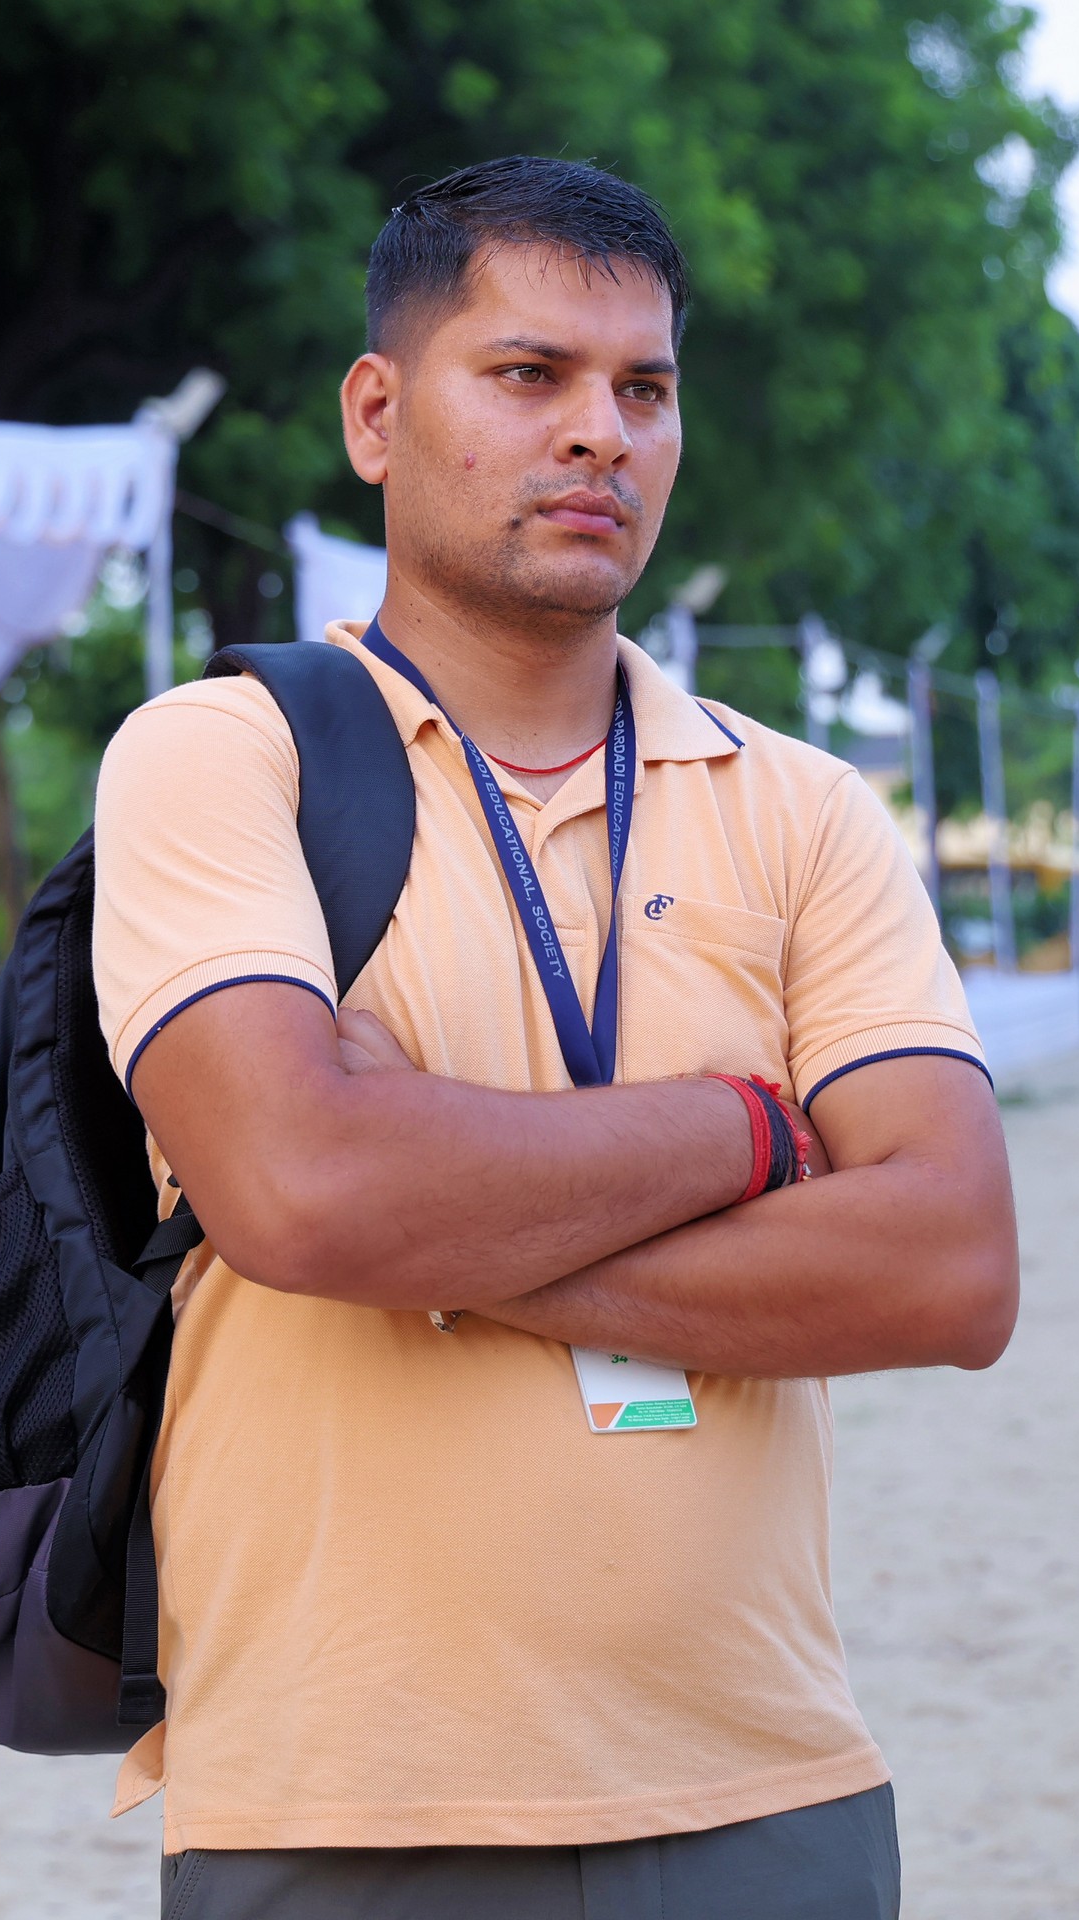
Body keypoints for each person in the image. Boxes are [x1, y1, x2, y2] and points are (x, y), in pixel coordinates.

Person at [93, 155, 1019, 1920]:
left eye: (643, 389)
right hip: (345, 1804)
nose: (601, 431)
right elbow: (301, 1192)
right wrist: (751, 1134)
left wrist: (435, 1218)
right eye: (529, 375)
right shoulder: (223, 758)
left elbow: (953, 1266)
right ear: (377, 416)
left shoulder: (802, 809)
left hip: (767, 1788)